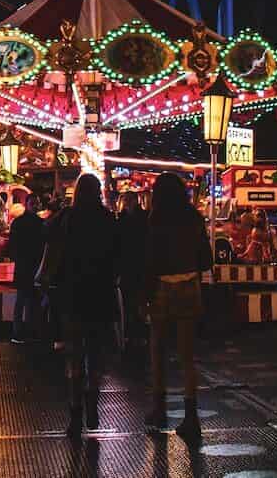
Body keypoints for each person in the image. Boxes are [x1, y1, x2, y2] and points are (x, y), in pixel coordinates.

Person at [44, 175, 119, 436]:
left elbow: (49, 240)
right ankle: (92, 403)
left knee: (74, 355)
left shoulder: (66, 219)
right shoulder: (108, 220)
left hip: (72, 295)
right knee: (96, 355)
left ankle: (75, 412)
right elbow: (117, 256)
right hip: (100, 294)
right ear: (98, 192)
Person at [142, 172, 213, 439]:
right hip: (189, 287)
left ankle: (159, 409)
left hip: (162, 288)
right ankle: (191, 416)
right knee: (187, 355)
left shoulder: (156, 219)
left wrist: (144, 295)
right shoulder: (193, 218)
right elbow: (205, 259)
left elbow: (149, 261)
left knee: (158, 350)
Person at [2, 193, 48, 345]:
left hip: (23, 267)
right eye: (33, 203)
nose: (36, 206)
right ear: (28, 204)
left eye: (37, 203)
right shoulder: (41, 223)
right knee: (31, 301)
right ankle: (30, 331)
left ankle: (18, 333)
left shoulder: (18, 223)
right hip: (34, 266)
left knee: (22, 300)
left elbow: (12, 246)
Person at [115, 191, 150, 365]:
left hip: (129, 267)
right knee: (138, 302)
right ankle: (139, 334)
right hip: (139, 267)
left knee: (130, 302)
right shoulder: (145, 218)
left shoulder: (122, 220)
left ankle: (132, 334)